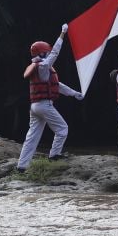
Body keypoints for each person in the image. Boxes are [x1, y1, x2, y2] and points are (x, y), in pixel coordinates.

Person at [16, 23, 84, 172]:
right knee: (62, 129)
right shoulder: (43, 66)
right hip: (44, 105)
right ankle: (54, 155)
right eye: (46, 52)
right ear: (41, 54)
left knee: (31, 137)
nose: (48, 53)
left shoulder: (41, 67)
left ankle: (21, 166)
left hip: (35, 107)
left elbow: (57, 85)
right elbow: (55, 53)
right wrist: (62, 34)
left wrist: (74, 93)